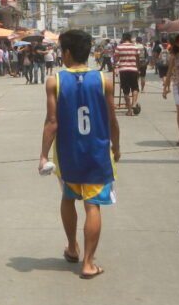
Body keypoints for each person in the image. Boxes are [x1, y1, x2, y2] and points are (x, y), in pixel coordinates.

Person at [39, 29, 119, 280]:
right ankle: (88, 262)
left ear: (68, 52)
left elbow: (52, 122)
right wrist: (117, 146)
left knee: (68, 197)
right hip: (96, 151)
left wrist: (43, 155)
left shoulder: (55, 81)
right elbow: (111, 118)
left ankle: (72, 247)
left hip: (68, 152)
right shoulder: (104, 80)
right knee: (92, 204)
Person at [114, 32, 140, 117]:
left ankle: (129, 110)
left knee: (126, 91)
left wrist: (116, 66)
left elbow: (116, 59)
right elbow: (137, 59)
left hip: (123, 70)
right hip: (133, 70)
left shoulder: (119, 47)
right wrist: (138, 69)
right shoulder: (135, 46)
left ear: (123, 38)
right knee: (135, 88)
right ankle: (134, 103)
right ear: (130, 38)